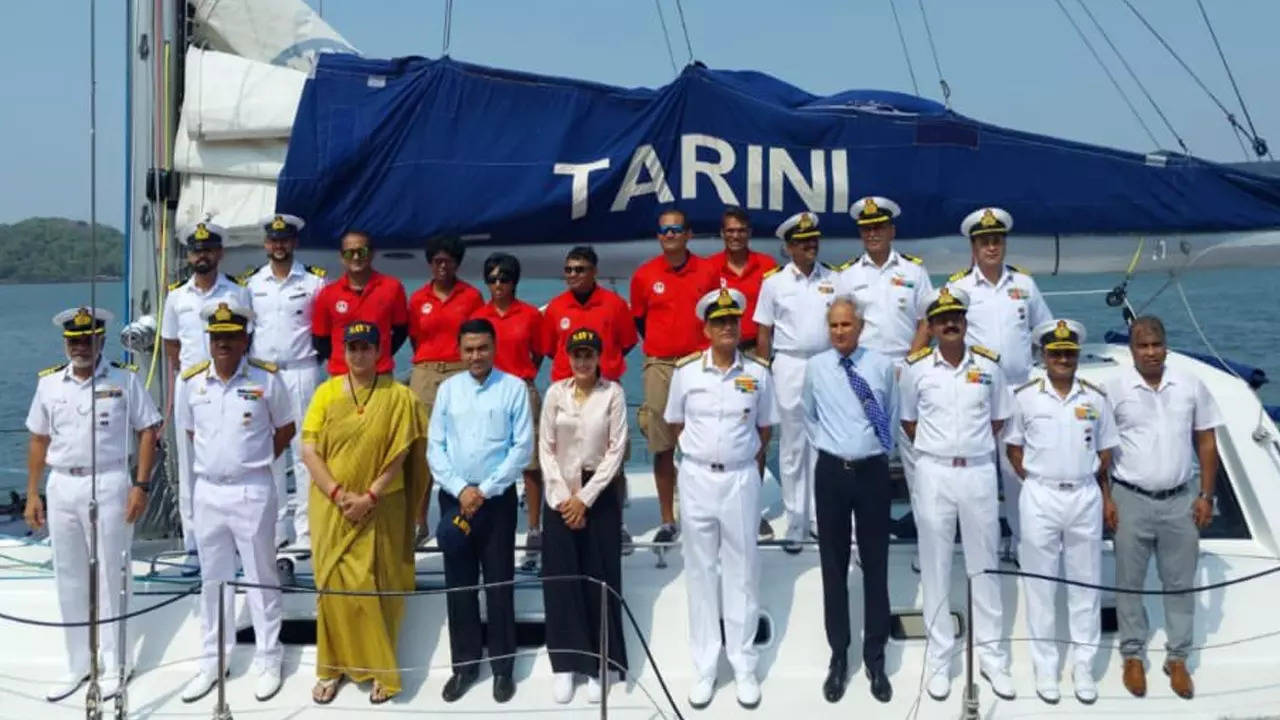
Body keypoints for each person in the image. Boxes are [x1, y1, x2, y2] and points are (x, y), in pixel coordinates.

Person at [24, 307, 162, 702]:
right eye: (74, 340)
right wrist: (34, 493)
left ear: (101, 339)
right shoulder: (49, 385)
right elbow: (38, 439)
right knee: (68, 578)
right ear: (66, 343)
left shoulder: (124, 379)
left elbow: (148, 431)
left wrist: (141, 485)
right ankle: (78, 664)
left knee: (112, 575)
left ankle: (118, 663)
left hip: (111, 482)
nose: (80, 346)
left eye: (87, 339)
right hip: (63, 484)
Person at [300, 321, 429, 705]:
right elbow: (309, 450)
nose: (359, 354)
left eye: (366, 347)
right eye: (352, 347)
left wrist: (370, 496)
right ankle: (331, 667)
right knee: (333, 590)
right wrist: (339, 494)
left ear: (379, 351)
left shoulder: (398, 397)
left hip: (381, 506)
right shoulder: (325, 394)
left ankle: (382, 671)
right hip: (331, 507)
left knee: (376, 586)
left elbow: (402, 452)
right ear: (343, 350)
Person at [898, 287, 1015, 702]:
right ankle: (940, 658)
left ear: (965, 322)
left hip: (979, 471)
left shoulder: (989, 368)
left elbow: (1000, 420)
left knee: (985, 565)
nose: (950, 323)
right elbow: (909, 423)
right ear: (929, 326)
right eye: (941, 318)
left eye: (957, 317)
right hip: (934, 472)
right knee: (935, 565)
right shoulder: (916, 369)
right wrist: (943, 450)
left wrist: (969, 448)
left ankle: (993, 658)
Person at [664, 288, 778, 710]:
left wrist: (736, 459)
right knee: (700, 571)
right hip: (695, 477)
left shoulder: (760, 374)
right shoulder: (686, 372)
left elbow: (764, 429)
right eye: (719, 322)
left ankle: (744, 664)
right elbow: (676, 423)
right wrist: (702, 457)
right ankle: (706, 666)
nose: (727, 327)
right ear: (707, 328)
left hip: (741, 479)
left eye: (733, 321)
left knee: (743, 569)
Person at [178, 300, 295, 704]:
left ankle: (269, 658)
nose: (224, 343)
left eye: (231, 336)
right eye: (217, 337)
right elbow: (192, 433)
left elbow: (285, 428)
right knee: (214, 580)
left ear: (245, 338)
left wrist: (252, 460)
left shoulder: (267, 378)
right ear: (209, 340)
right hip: (208, 490)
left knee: (262, 578)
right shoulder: (191, 382)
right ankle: (213, 660)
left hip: (252, 488)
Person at [1105, 315, 1223, 700]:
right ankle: (1133, 656)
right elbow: (1101, 451)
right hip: (1129, 498)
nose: (1151, 352)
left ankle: (1178, 658)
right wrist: (1106, 498)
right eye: (1143, 345)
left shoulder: (1190, 384)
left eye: (1156, 345)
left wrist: (1206, 495)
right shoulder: (1115, 389)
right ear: (1131, 349)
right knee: (1129, 583)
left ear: (1166, 346)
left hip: (1180, 499)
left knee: (1179, 584)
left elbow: (1206, 441)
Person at [1005, 319, 1118, 705]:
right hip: (1040, 495)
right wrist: (1038, 480)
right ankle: (1046, 667)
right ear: (1043, 355)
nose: (1063, 359)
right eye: (1056, 353)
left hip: (1085, 495)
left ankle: (1083, 665)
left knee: (1086, 584)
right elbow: (1014, 449)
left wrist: (1096, 490)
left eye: (1069, 353)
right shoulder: (1025, 397)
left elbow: (1105, 452)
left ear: (1077, 355)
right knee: (1040, 585)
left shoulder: (1096, 397)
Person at [428, 318, 533, 704]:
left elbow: (521, 448)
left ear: (494, 348)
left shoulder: (513, 389)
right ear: (460, 350)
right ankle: (465, 667)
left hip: (496, 500)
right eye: (469, 349)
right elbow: (434, 448)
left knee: (499, 583)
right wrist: (461, 489)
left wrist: (483, 491)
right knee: (459, 585)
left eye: (482, 348)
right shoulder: (447, 391)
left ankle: (503, 668)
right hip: (455, 498)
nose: (476, 355)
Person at [801, 297, 895, 704]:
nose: (840, 331)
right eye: (834, 325)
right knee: (833, 566)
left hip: (872, 473)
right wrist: (832, 446)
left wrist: (870, 448)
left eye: (847, 325)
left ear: (861, 326)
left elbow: (890, 415)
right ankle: (838, 656)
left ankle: (875, 657)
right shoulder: (816, 368)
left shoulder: (881, 366)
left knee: (876, 566)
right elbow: (809, 415)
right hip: (831, 473)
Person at [946, 207, 1052, 560]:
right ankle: (984, 545)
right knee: (979, 472)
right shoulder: (958, 288)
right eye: (984, 242)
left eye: (997, 241)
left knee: (1018, 469)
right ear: (973, 248)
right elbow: (946, 337)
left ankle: (1025, 543)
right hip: (978, 391)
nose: (991, 247)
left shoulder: (1024, 284)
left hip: (1020, 390)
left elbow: (1044, 332)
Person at [538, 328, 628, 704]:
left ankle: (599, 663)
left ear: (599, 357)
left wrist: (585, 500)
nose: (582, 361)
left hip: (598, 494)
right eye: (576, 354)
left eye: (588, 354)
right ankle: (565, 664)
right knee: (560, 580)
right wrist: (563, 499)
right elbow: (545, 447)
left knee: (599, 577)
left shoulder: (614, 394)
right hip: (559, 492)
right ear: (568, 357)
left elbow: (616, 450)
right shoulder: (555, 394)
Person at [630, 208, 720, 545]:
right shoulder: (643, 276)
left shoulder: (708, 271)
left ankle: (706, 513)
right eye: (665, 231)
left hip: (699, 362)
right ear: (659, 236)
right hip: (661, 365)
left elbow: (716, 317)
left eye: (677, 229)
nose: (670, 235)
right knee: (663, 444)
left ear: (688, 234)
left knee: (704, 440)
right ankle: (668, 519)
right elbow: (640, 321)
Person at [161, 221, 252, 557]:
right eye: (197, 250)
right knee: (190, 468)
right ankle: (194, 545)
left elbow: (248, 338)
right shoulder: (176, 296)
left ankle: (237, 539)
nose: (203, 255)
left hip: (230, 384)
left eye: (209, 249)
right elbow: (172, 344)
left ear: (220, 253)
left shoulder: (237, 292)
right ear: (189, 256)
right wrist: (191, 376)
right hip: (192, 386)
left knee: (233, 455)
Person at [753, 211, 840, 552]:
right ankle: (795, 519)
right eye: (802, 242)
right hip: (788, 362)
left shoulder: (834, 278)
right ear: (789, 247)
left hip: (825, 362)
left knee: (822, 442)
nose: (810, 246)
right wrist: (765, 371)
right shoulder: (773, 282)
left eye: (813, 240)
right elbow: (764, 331)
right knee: (792, 445)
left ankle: (820, 518)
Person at [541, 246, 638, 550]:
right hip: (564, 393)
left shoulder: (615, 305)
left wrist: (603, 369)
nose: (573, 275)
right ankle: (567, 511)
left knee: (613, 460)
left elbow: (626, 342)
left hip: (605, 392)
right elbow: (548, 347)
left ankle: (616, 523)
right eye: (569, 269)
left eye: (580, 269)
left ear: (594, 271)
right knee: (564, 460)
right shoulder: (555, 308)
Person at [242, 213, 328, 548]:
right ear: (266, 244)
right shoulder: (251, 284)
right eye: (273, 240)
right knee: (269, 453)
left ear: (294, 242)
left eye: (285, 240)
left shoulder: (313, 282)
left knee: (304, 451)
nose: (279, 245)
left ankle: (306, 532)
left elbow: (322, 331)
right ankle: (276, 530)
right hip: (263, 373)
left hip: (301, 370)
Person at [470, 253, 548, 566]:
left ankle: (533, 528)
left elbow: (540, 353)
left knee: (530, 464)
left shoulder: (530, 315)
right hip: (487, 392)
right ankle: (488, 523)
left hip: (522, 389)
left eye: (503, 278)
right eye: (491, 279)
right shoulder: (478, 316)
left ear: (514, 281)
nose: (497, 285)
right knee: (488, 461)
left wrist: (521, 377)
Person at [706, 206, 777, 540]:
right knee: (716, 425)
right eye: (730, 230)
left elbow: (773, 318)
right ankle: (712, 508)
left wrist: (763, 364)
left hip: (755, 352)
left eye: (741, 230)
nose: (736, 236)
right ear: (723, 234)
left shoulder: (768, 268)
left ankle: (752, 508)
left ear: (749, 232)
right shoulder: (709, 269)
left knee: (756, 433)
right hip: (720, 352)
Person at [408, 235, 485, 537]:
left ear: (457, 263)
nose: (442, 266)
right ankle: (419, 521)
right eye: (437, 260)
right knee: (423, 447)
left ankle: (461, 513)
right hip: (426, 372)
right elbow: (415, 337)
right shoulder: (417, 299)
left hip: (459, 370)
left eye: (448, 260)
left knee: (460, 445)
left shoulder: (471, 297)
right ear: (430, 263)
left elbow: (478, 340)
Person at [836, 196, 933, 359]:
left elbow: (927, 320)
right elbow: (840, 324)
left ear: (892, 231)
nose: (872, 234)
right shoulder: (847, 275)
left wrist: (911, 361)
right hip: (863, 362)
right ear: (860, 233)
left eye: (879, 227)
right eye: (867, 229)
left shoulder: (914, 271)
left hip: (905, 358)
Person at [311, 230, 409, 377]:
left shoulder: (392, 288)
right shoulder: (328, 293)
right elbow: (320, 339)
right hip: (341, 375)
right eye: (350, 253)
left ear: (371, 254)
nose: (356, 257)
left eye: (361, 251)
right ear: (342, 257)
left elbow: (401, 330)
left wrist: (379, 355)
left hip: (380, 374)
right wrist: (343, 360)